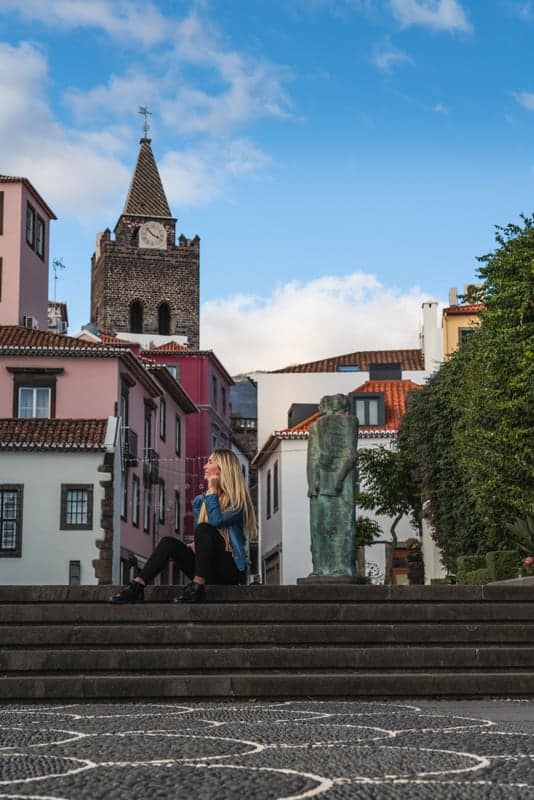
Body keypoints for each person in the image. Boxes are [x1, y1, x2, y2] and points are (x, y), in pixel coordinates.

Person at [110, 448, 257, 604]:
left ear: (223, 468)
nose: (205, 466)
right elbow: (202, 535)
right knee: (168, 542)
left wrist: (213, 490)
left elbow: (215, 522)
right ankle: (137, 587)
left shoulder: (237, 502)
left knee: (205, 528)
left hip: (229, 570)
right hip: (208, 569)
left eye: (210, 462)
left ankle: (197, 587)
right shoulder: (201, 501)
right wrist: (197, 545)